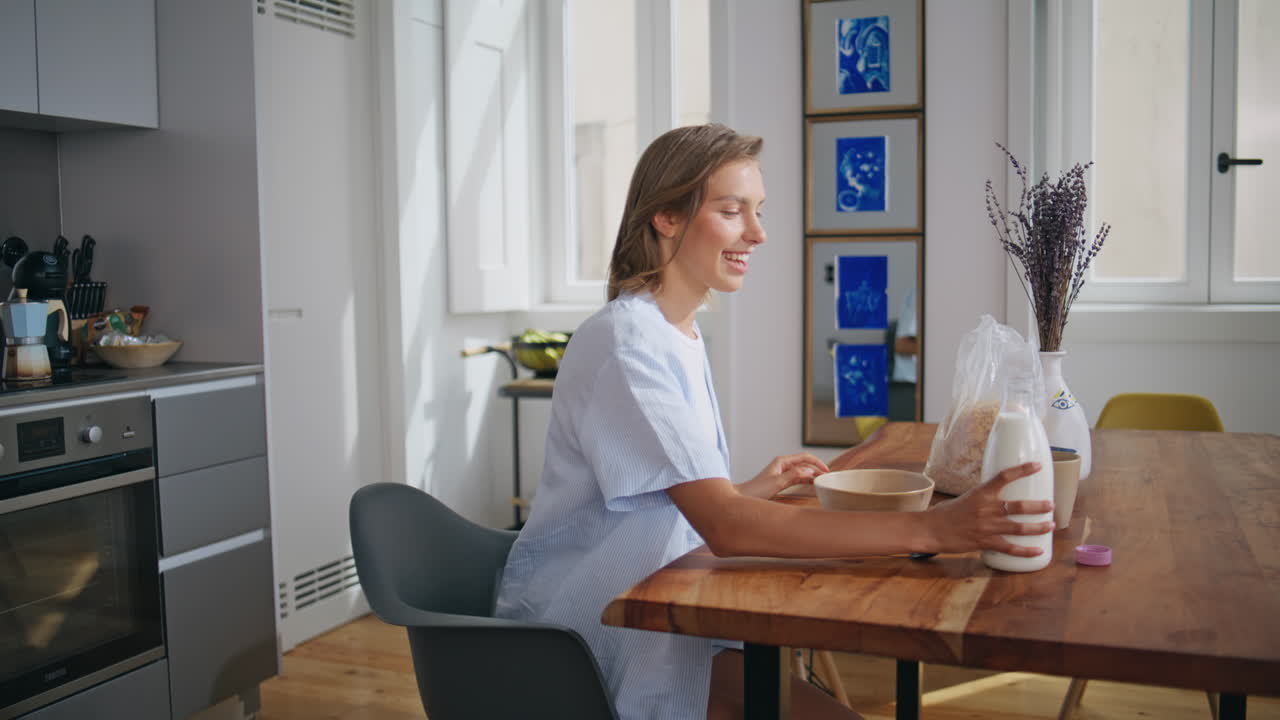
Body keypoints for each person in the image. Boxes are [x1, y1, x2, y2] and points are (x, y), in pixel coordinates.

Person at [493, 124, 1053, 720]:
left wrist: (744, 490)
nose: (757, 234)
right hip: (599, 633)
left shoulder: (675, 331)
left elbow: (661, 505)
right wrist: (940, 529)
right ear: (667, 218)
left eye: (757, 212)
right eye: (733, 212)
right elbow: (729, 530)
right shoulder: (628, 343)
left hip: (656, 606)